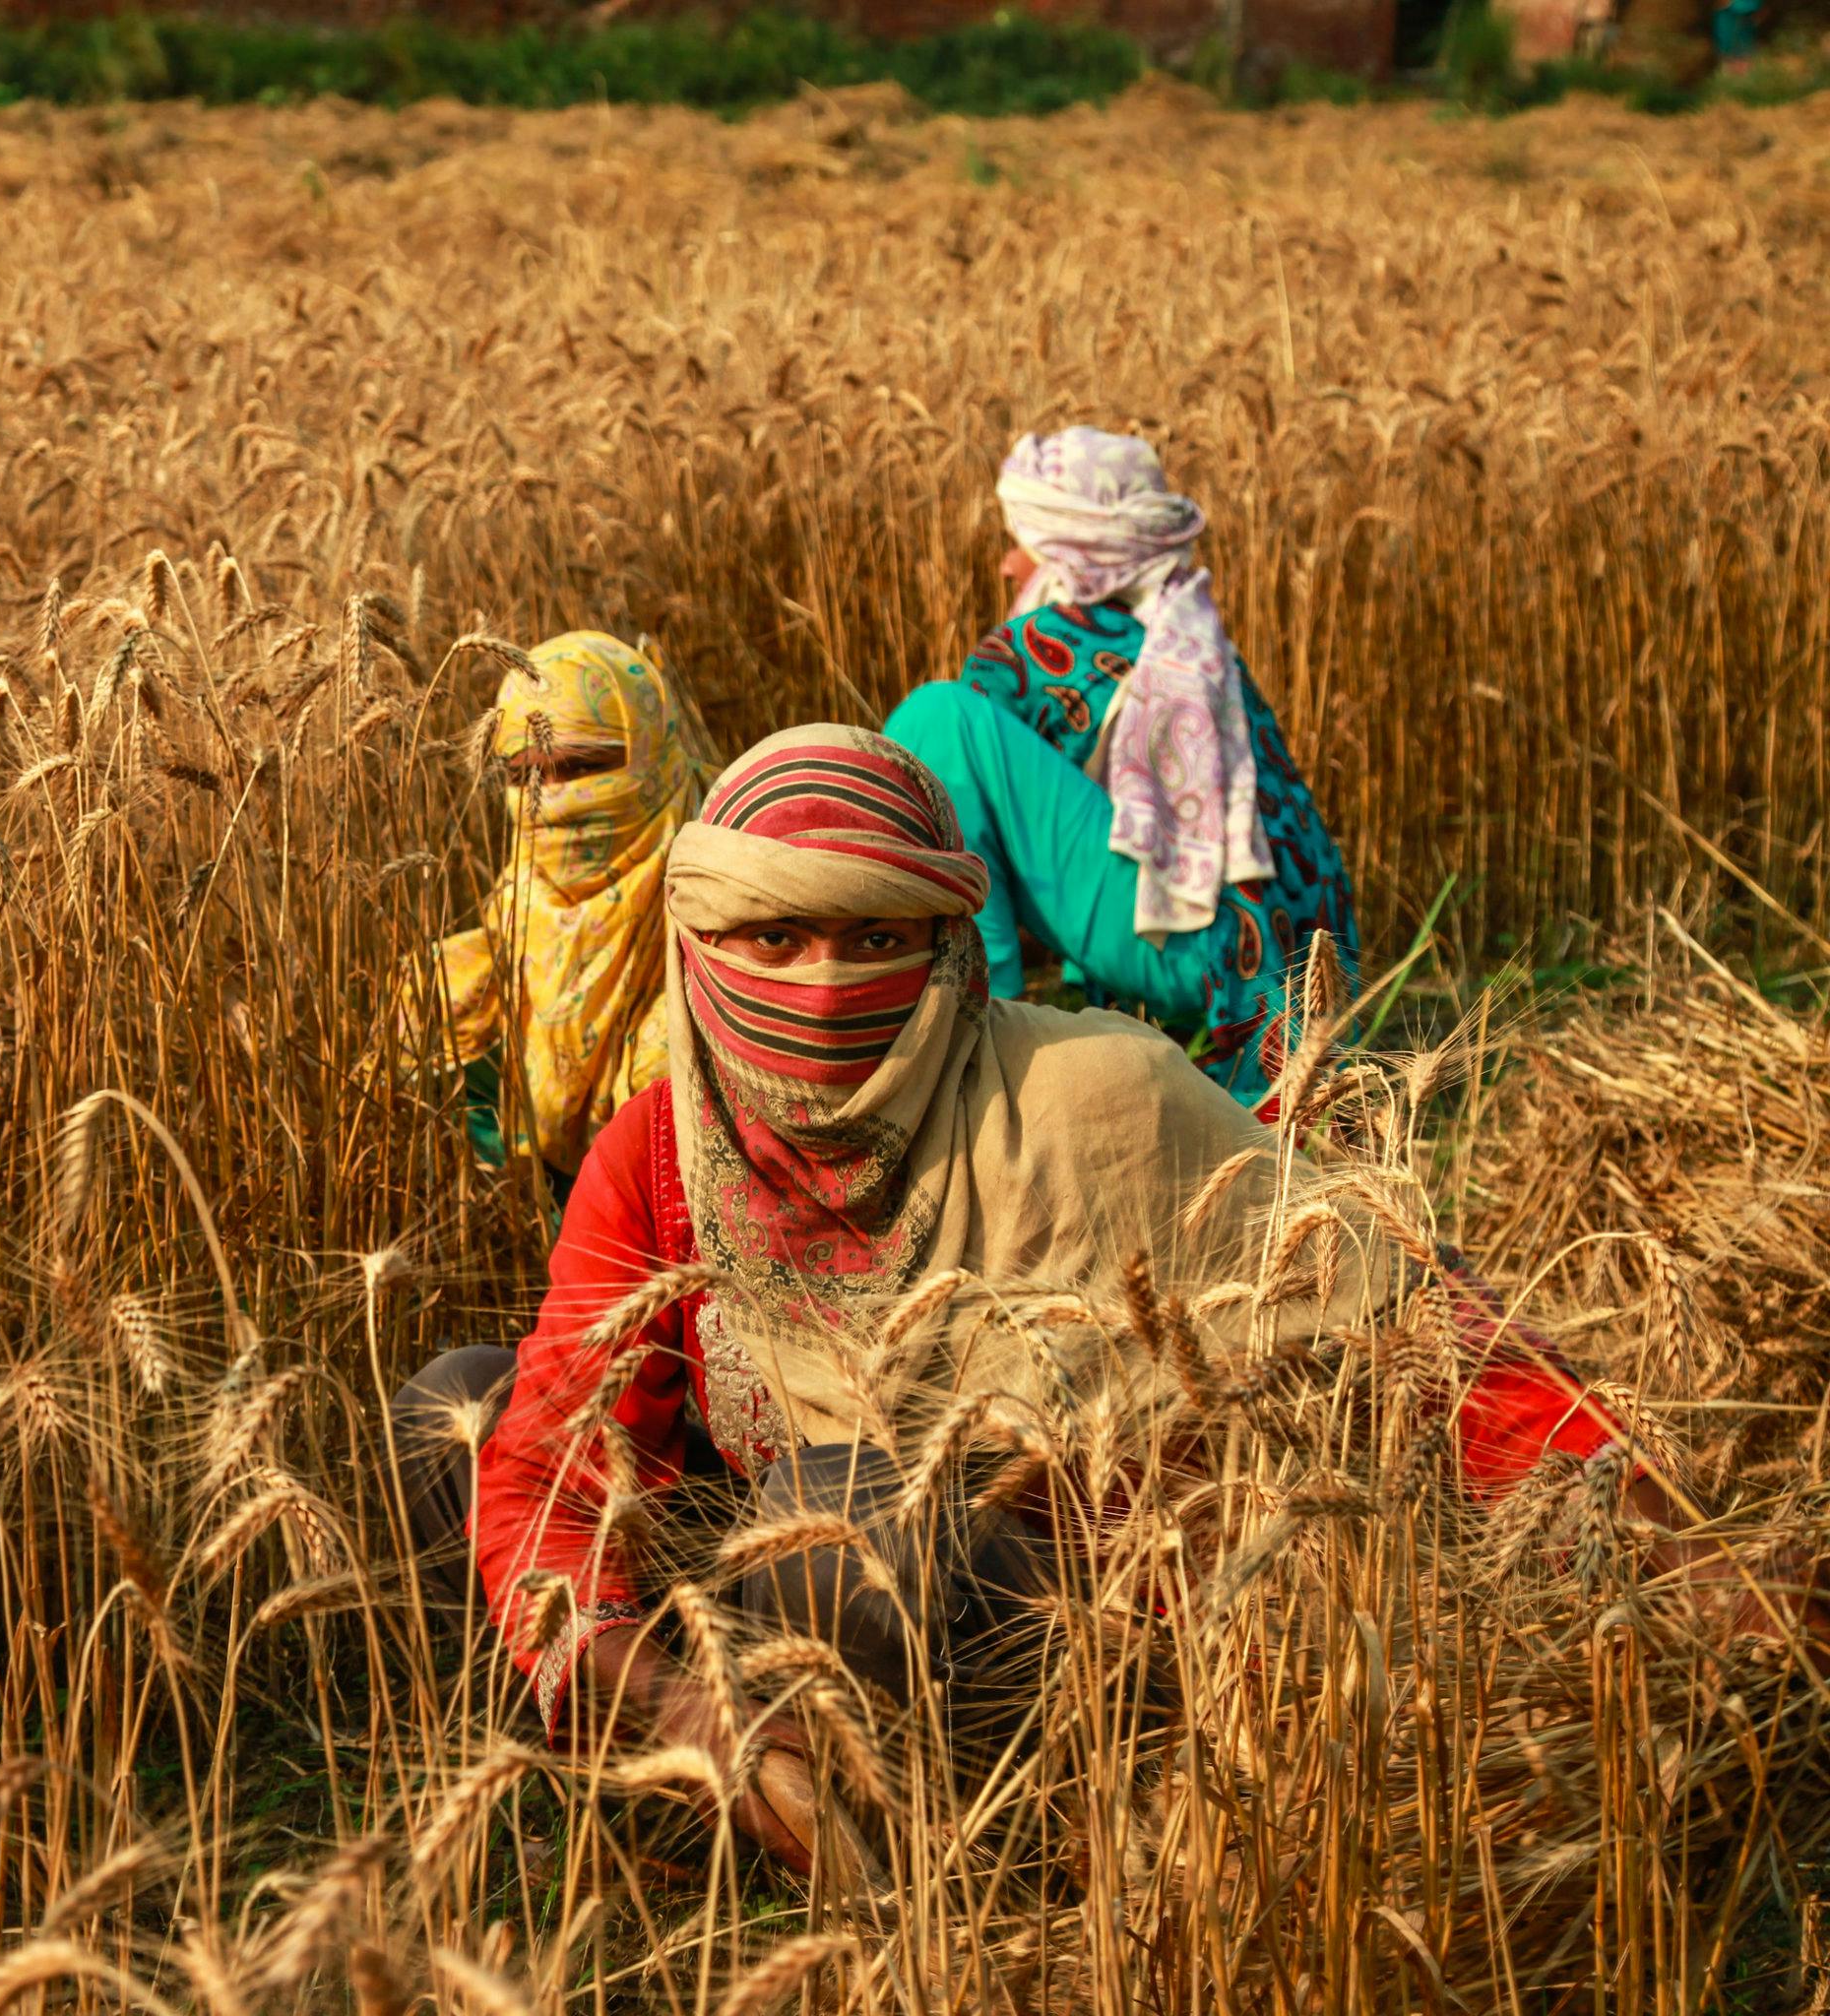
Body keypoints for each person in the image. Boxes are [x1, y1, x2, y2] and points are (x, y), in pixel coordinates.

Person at [395, 724, 1791, 1875]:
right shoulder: (660, 1147)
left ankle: (1005, 1844)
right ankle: (722, 1789)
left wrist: (1661, 1543)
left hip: (1083, 1611)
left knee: (834, 1537)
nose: (821, 988)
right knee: (457, 1412)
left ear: (949, 941)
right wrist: (671, 1698)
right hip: (774, 1587)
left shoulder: (1094, 1096)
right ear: (702, 944)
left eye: (870, 937)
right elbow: (555, 1461)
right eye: (773, 939)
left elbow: (1403, 1318)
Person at [881, 429, 1356, 1114]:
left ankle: (981, 1030)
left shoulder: (1035, 647)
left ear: (1075, 556)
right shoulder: (1189, 641)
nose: (1009, 566)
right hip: (1278, 969)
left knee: (936, 721)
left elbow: (950, 816)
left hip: (1188, 949)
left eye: (1026, 544)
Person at [433, 632, 717, 1181]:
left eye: (583, 768)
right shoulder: (514, 912)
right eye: (527, 776)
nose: (555, 800)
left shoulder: (726, 895)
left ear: (651, 756)